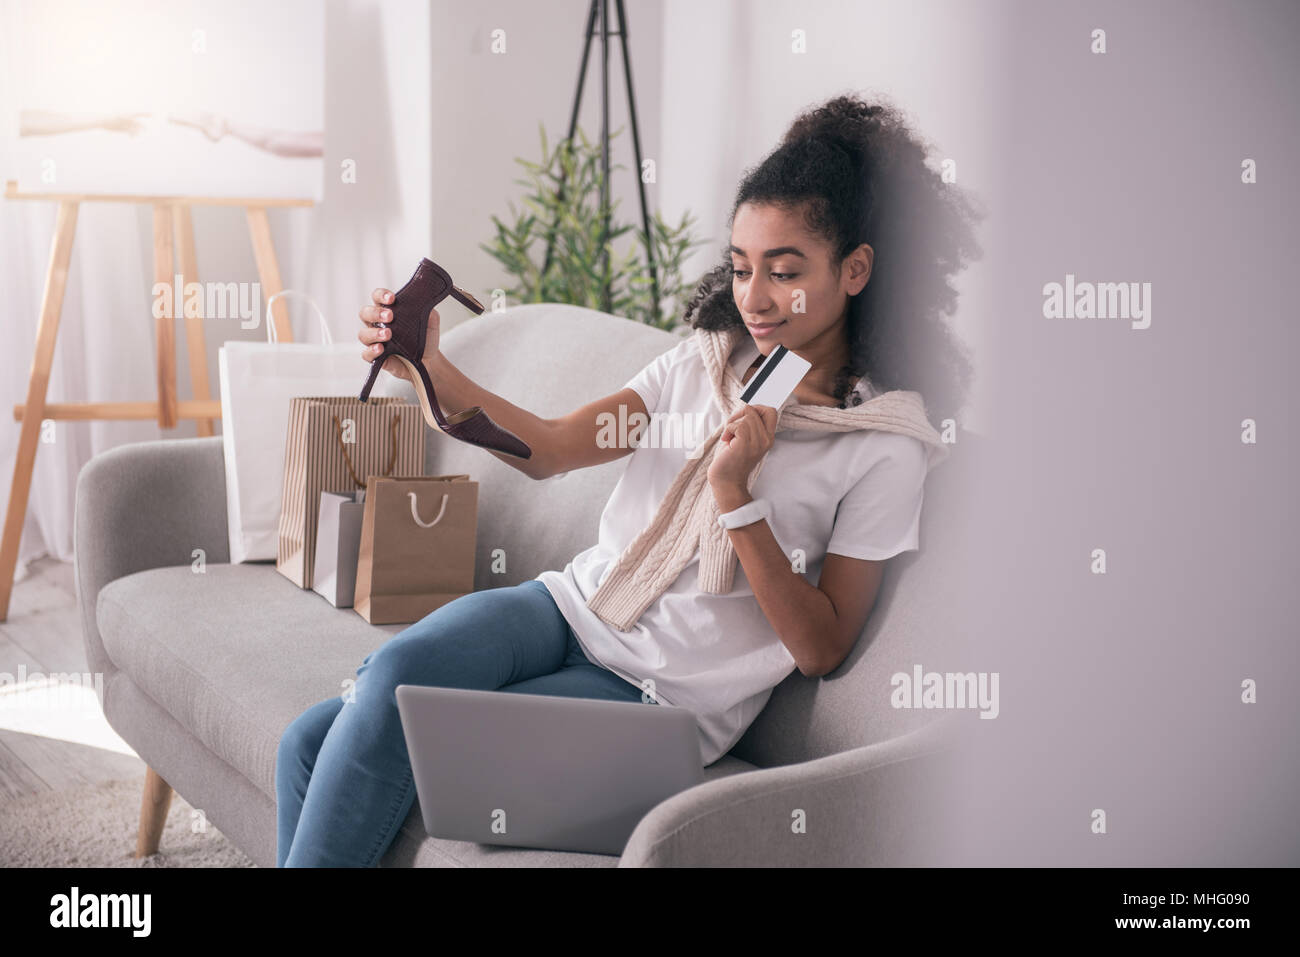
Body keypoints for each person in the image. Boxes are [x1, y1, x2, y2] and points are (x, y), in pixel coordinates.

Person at [275, 92, 983, 867]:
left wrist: (736, 498)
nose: (753, 298)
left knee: (412, 738)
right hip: (571, 611)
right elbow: (547, 448)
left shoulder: (885, 443)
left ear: (854, 269)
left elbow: (821, 646)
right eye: (742, 268)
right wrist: (431, 370)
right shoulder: (699, 363)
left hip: (660, 700)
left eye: (784, 272)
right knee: (314, 734)